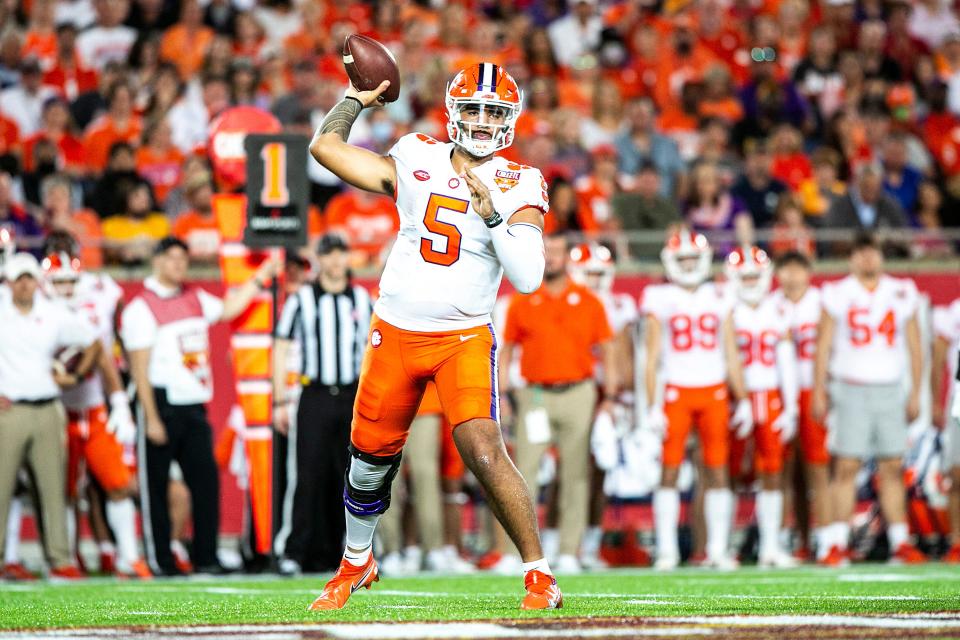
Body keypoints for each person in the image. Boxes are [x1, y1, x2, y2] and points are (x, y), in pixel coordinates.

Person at [306, 63, 559, 610]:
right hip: (395, 330)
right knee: (368, 460)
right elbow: (325, 149)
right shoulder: (416, 153)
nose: (483, 119)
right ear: (453, 112)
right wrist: (353, 99)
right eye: (473, 108)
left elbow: (528, 276)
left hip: (462, 336)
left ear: (511, 119)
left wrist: (493, 217)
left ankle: (539, 574)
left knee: (483, 449)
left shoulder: (520, 180)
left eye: (495, 111)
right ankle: (356, 560)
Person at [121, 237, 277, 576]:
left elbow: (230, 308)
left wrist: (261, 277)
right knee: (156, 487)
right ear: (158, 261)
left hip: (194, 404)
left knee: (206, 483)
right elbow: (139, 368)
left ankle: (206, 556)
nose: (179, 265)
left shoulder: (194, 297)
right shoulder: (142, 308)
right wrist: (150, 417)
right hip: (162, 404)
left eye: (183, 259)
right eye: (172, 258)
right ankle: (160, 559)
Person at [499, 234, 616, 574]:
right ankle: (515, 552)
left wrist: (609, 396)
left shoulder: (588, 300)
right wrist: (504, 394)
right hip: (535, 394)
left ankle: (568, 550)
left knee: (576, 474)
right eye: (545, 252)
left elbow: (607, 348)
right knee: (524, 474)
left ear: (567, 258)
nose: (551, 258)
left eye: (557, 252)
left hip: (579, 391)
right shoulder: (524, 300)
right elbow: (507, 349)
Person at [812, 232, 926, 565]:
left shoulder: (901, 290)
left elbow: (915, 346)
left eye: (871, 252)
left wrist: (915, 391)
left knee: (892, 465)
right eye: (861, 253)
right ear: (852, 258)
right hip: (850, 386)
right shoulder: (838, 292)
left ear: (880, 255)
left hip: (889, 387)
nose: (867, 259)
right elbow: (824, 344)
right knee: (846, 465)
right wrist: (819, 389)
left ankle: (900, 541)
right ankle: (835, 542)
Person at [642, 228, 752, 570]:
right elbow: (652, 355)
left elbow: (731, 352)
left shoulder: (720, 295)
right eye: (683, 259)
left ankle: (718, 549)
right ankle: (666, 550)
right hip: (676, 388)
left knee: (718, 470)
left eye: (693, 258)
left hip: (714, 388)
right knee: (670, 470)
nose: (688, 265)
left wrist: (743, 397)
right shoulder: (659, 297)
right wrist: (651, 404)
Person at [41, 249, 150, 579]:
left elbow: (101, 356)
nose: (65, 288)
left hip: (92, 407)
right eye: (58, 282)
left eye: (70, 281)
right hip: (58, 411)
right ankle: (66, 559)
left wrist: (119, 404)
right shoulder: (40, 313)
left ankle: (128, 558)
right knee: (64, 492)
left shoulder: (89, 307)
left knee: (117, 483)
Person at [272, 234, 373, 575]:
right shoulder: (302, 298)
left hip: (351, 395)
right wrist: (279, 399)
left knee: (350, 475)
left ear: (347, 258)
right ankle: (293, 549)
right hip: (313, 394)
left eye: (339, 253)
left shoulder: (361, 298)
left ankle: (350, 553)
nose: (333, 261)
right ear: (319, 259)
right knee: (306, 474)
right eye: (327, 254)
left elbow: (376, 349)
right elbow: (281, 346)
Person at [0, 252, 97, 579]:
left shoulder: (52, 313)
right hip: (9, 410)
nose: (25, 285)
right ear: (9, 282)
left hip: (47, 407)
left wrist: (77, 377)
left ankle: (59, 558)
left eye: (30, 278)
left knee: (53, 488)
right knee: (1, 489)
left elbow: (92, 339)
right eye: (19, 278)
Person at [726, 246, 800, 568]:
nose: (751, 282)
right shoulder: (726, 308)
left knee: (773, 472)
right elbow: (723, 359)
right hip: (735, 397)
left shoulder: (778, 310)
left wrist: (792, 406)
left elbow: (787, 361)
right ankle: (721, 547)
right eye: (745, 276)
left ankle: (771, 545)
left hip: (769, 395)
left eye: (755, 276)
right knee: (726, 473)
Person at [771, 252, 832, 562]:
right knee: (783, 472)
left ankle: (826, 540)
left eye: (797, 269)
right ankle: (788, 539)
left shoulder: (823, 302)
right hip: (778, 393)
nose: (792, 276)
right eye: (786, 269)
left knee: (818, 468)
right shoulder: (770, 304)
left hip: (813, 390)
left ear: (809, 272)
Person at [932, 295, 960, 561]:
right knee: (957, 473)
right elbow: (939, 355)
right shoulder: (956, 310)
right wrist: (935, 400)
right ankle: (957, 542)